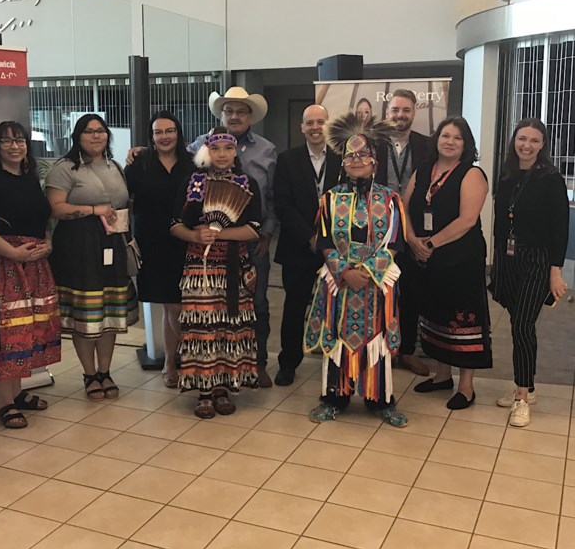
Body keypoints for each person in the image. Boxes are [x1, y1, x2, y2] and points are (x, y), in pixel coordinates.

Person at [128, 86, 277, 388]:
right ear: (207, 150)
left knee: (245, 313)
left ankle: (244, 371)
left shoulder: (262, 157)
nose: (221, 153)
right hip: (198, 259)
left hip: (242, 254)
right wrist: (144, 150)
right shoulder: (194, 175)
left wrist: (259, 232)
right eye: (229, 110)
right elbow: (176, 217)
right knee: (201, 318)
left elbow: (263, 209)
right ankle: (202, 381)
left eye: (241, 111)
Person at [303, 112, 409, 427]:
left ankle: (381, 399)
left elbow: (395, 242)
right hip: (340, 281)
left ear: (375, 161)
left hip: (377, 282)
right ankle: (334, 396)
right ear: (344, 161)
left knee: (376, 338)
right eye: (351, 155)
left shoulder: (389, 199)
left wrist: (368, 273)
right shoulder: (330, 199)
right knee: (337, 337)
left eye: (363, 154)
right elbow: (323, 240)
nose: (357, 159)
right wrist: (344, 272)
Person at [169, 126, 262, 419]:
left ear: (236, 152)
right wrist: (195, 236)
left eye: (228, 148)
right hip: (200, 267)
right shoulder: (193, 182)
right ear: (206, 152)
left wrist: (222, 233)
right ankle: (204, 391)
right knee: (203, 327)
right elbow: (174, 224)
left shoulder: (248, 184)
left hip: (236, 266)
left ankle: (223, 387)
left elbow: (255, 228)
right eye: (216, 149)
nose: (222, 154)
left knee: (229, 327)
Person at [0, 121, 62, 429]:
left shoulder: (30, 177)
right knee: (7, 332)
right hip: (3, 262)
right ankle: (6, 402)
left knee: (33, 329)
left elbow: (44, 219)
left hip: (35, 263)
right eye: (7, 141)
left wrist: (48, 244)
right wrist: (11, 253)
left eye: (20, 140)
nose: (15, 146)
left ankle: (20, 392)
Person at [46, 114, 139, 402]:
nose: (96, 136)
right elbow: (57, 209)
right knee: (85, 315)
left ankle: (105, 371)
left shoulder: (115, 166)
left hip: (112, 241)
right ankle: (89, 374)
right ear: (77, 136)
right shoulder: (64, 168)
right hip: (77, 246)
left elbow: (123, 204)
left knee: (110, 310)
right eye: (89, 132)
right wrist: (94, 210)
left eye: (101, 131)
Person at [404, 116, 491, 410]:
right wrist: (413, 240)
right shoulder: (423, 170)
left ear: (466, 144)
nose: (450, 142)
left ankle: (466, 386)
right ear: (436, 139)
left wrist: (429, 244)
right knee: (435, 315)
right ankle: (442, 376)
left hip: (460, 258)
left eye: (457, 138)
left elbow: (467, 220)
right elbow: (402, 209)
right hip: (424, 257)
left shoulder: (472, 174)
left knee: (463, 320)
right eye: (445, 136)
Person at [490, 118, 569, 427]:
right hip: (508, 258)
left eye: (534, 140)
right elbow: (501, 222)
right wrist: (497, 262)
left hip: (538, 260)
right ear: (514, 141)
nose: (527, 145)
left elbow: (560, 229)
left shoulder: (551, 178)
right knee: (518, 322)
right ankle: (529, 386)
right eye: (522, 138)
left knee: (523, 325)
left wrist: (555, 272)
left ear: (543, 145)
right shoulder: (507, 175)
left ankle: (522, 396)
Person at [272, 104, 342, 386]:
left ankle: (336, 362)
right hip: (298, 247)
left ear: (329, 125)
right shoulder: (287, 159)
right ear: (301, 127)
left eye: (320, 122)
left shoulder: (342, 158)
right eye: (309, 122)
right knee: (294, 307)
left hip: (337, 249)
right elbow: (283, 205)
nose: (315, 127)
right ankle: (288, 363)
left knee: (336, 307)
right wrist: (309, 237)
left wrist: (327, 240)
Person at [124, 111, 195, 389]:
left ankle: (181, 357)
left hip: (188, 242)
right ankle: (174, 359)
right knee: (171, 304)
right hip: (152, 243)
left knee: (182, 306)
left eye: (170, 131)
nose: (165, 136)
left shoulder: (193, 164)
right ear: (151, 137)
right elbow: (123, 201)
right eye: (158, 132)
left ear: (178, 133)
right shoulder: (138, 165)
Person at [374, 89, 433, 377]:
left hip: (414, 229)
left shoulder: (427, 145)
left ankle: (407, 351)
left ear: (414, 112)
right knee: (378, 292)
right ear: (387, 113)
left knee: (411, 292)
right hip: (375, 231)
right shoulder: (371, 144)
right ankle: (379, 349)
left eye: (406, 110)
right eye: (395, 110)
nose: (400, 115)